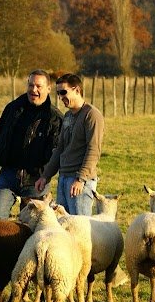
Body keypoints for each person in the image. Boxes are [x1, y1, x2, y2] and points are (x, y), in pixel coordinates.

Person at [0, 69, 62, 220]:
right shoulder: (13, 108)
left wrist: (45, 175)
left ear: (48, 89)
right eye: (30, 85)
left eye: (38, 86)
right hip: (8, 175)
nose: (33, 90)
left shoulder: (55, 118)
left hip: (37, 180)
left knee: (34, 225)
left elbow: (56, 153)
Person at [35, 73, 104, 215]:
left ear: (77, 90)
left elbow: (93, 149)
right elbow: (60, 149)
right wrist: (45, 176)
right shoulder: (67, 116)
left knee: (79, 228)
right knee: (64, 226)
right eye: (58, 93)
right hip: (64, 178)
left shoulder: (91, 115)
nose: (60, 97)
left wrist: (81, 179)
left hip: (79, 182)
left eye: (63, 92)